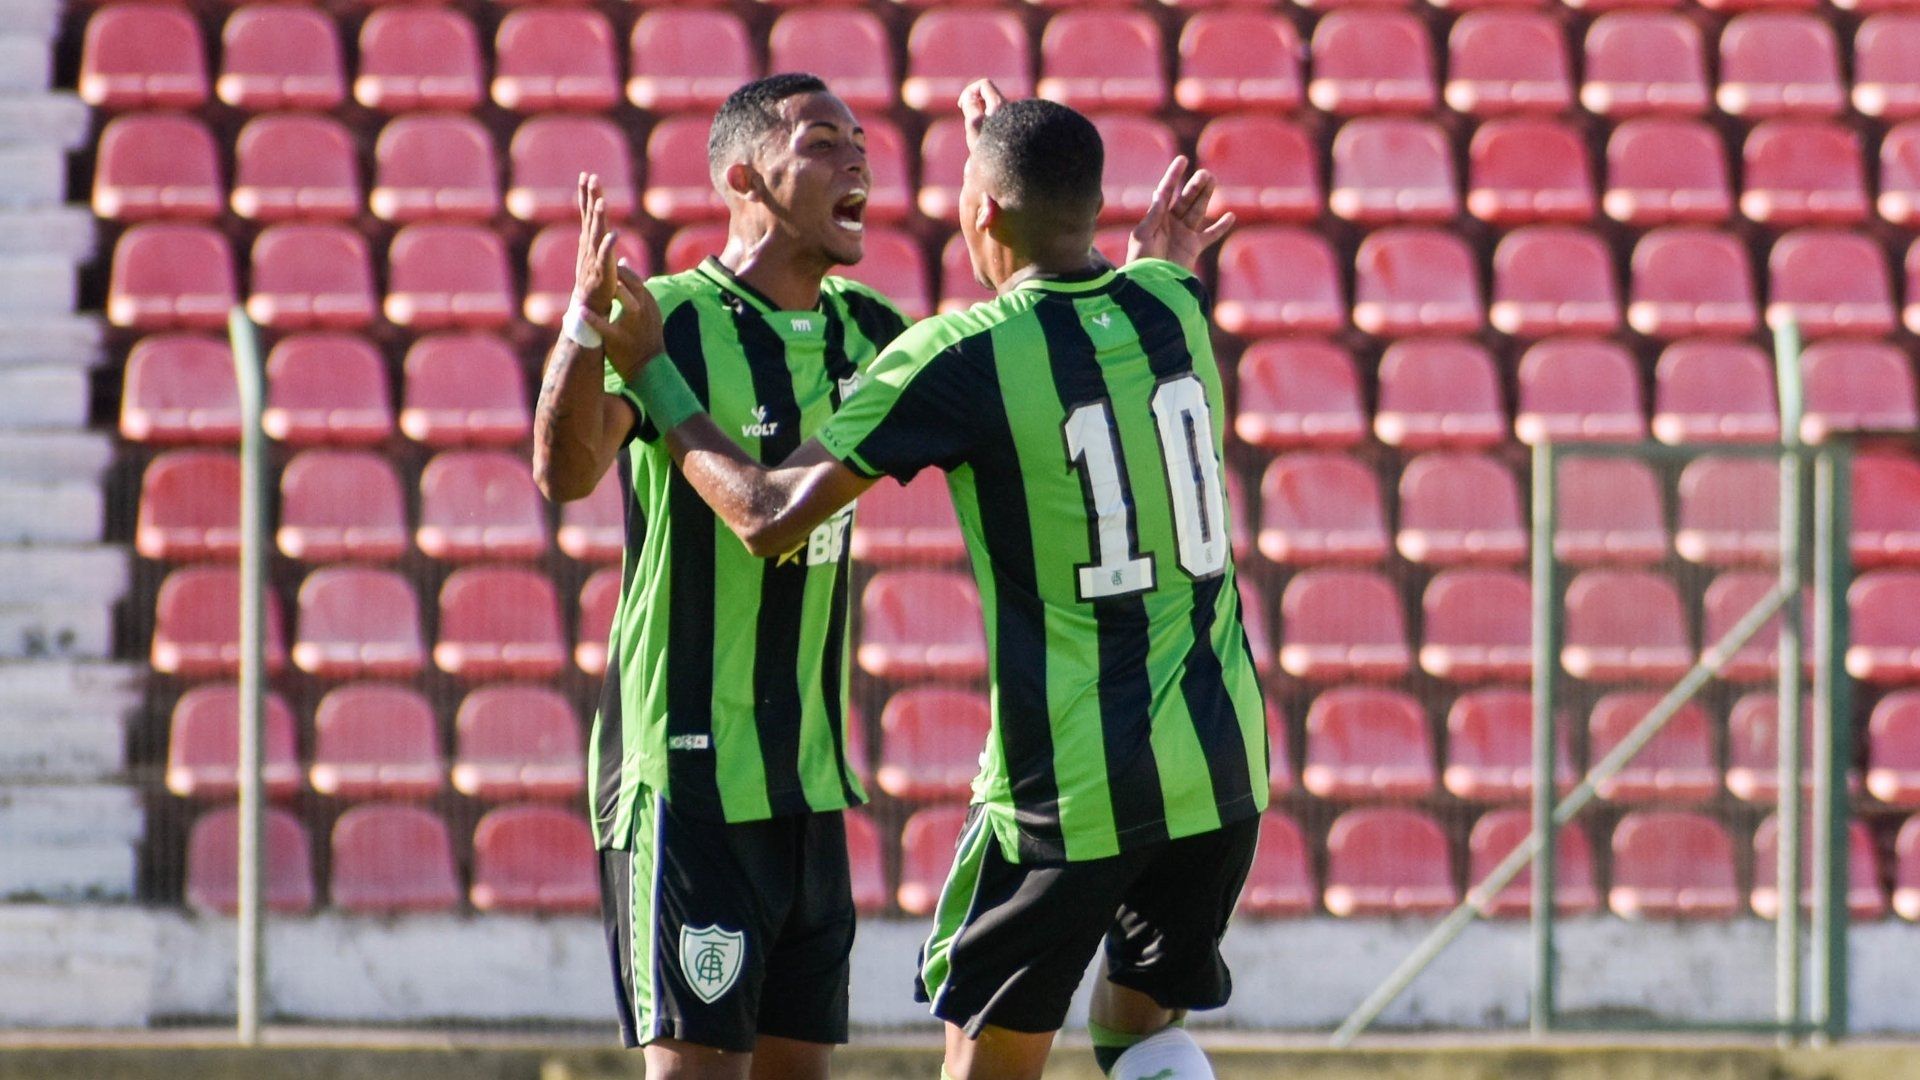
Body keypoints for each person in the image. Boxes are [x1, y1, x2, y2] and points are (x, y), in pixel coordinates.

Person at [586, 84, 1261, 1080]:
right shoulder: (1168, 297)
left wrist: (653, 376)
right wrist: (1031, 179)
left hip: (1067, 787)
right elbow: (1084, 307)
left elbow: (766, 517)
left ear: (980, 212)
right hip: (1223, 762)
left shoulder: (960, 350)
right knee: (1140, 1029)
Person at [530, 73, 914, 1080]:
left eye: (861, 142)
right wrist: (580, 330)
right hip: (686, 774)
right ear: (746, 177)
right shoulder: (676, 323)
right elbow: (565, 476)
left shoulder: (872, 334)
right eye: (824, 142)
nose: (857, 160)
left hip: (808, 781)